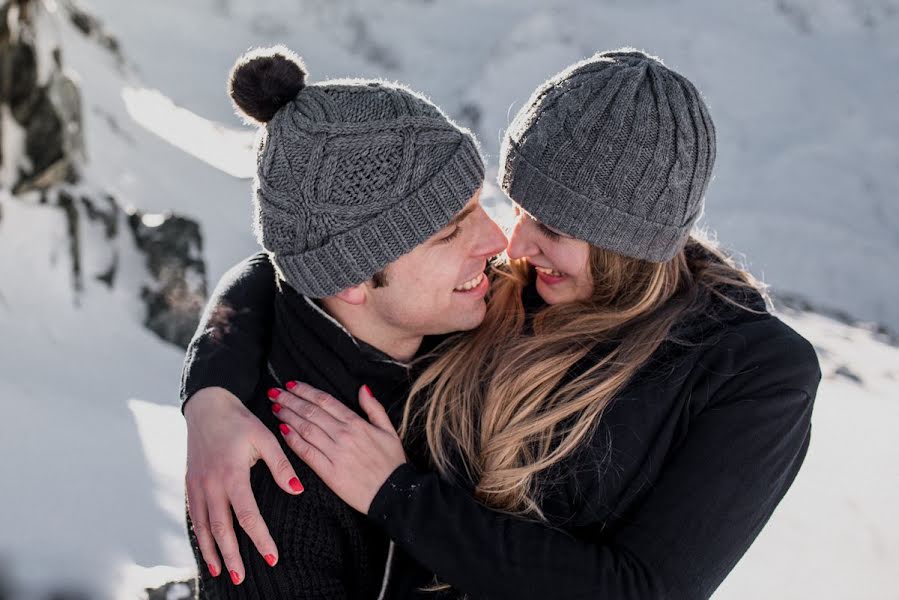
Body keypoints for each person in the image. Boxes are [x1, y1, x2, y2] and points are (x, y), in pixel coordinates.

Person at [184, 49, 821, 599]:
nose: (510, 244)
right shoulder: (507, 292)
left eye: (552, 226)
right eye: (515, 206)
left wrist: (398, 497)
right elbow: (304, 263)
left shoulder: (751, 372)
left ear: (622, 239)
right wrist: (211, 394)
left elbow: (646, 591)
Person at [182, 45, 506, 598]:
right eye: (450, 231)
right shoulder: (268, 490)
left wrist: (207, 386)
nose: (498, 242)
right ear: (349, 279)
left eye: (478, 206)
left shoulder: (477, 314)